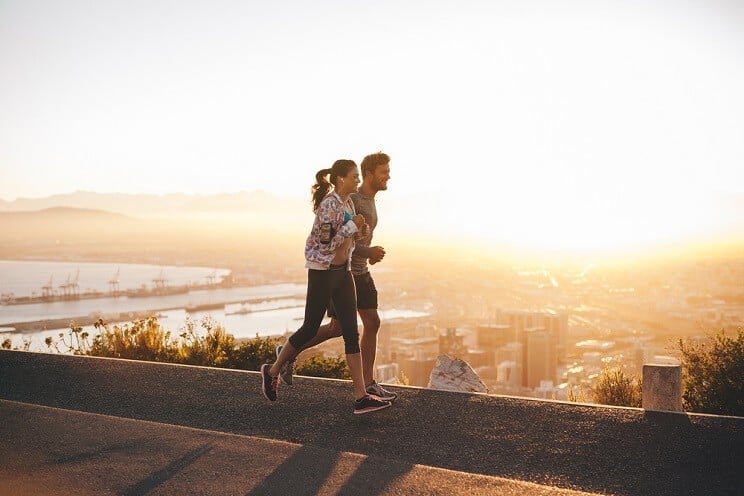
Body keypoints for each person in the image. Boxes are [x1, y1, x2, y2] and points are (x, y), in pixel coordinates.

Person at [260, 159, 392, 415]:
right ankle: (273, 369)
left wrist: (359, 231)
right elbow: (325, 244)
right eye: (354, 176)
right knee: (310, 326)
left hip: (343, 274)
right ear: (341, 179)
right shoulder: (328, 205)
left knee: (351, 333)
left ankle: (361, 397)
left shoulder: (348, 203)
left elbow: (349, 238)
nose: (357, 181)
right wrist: (352, 226)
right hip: (323, 273)